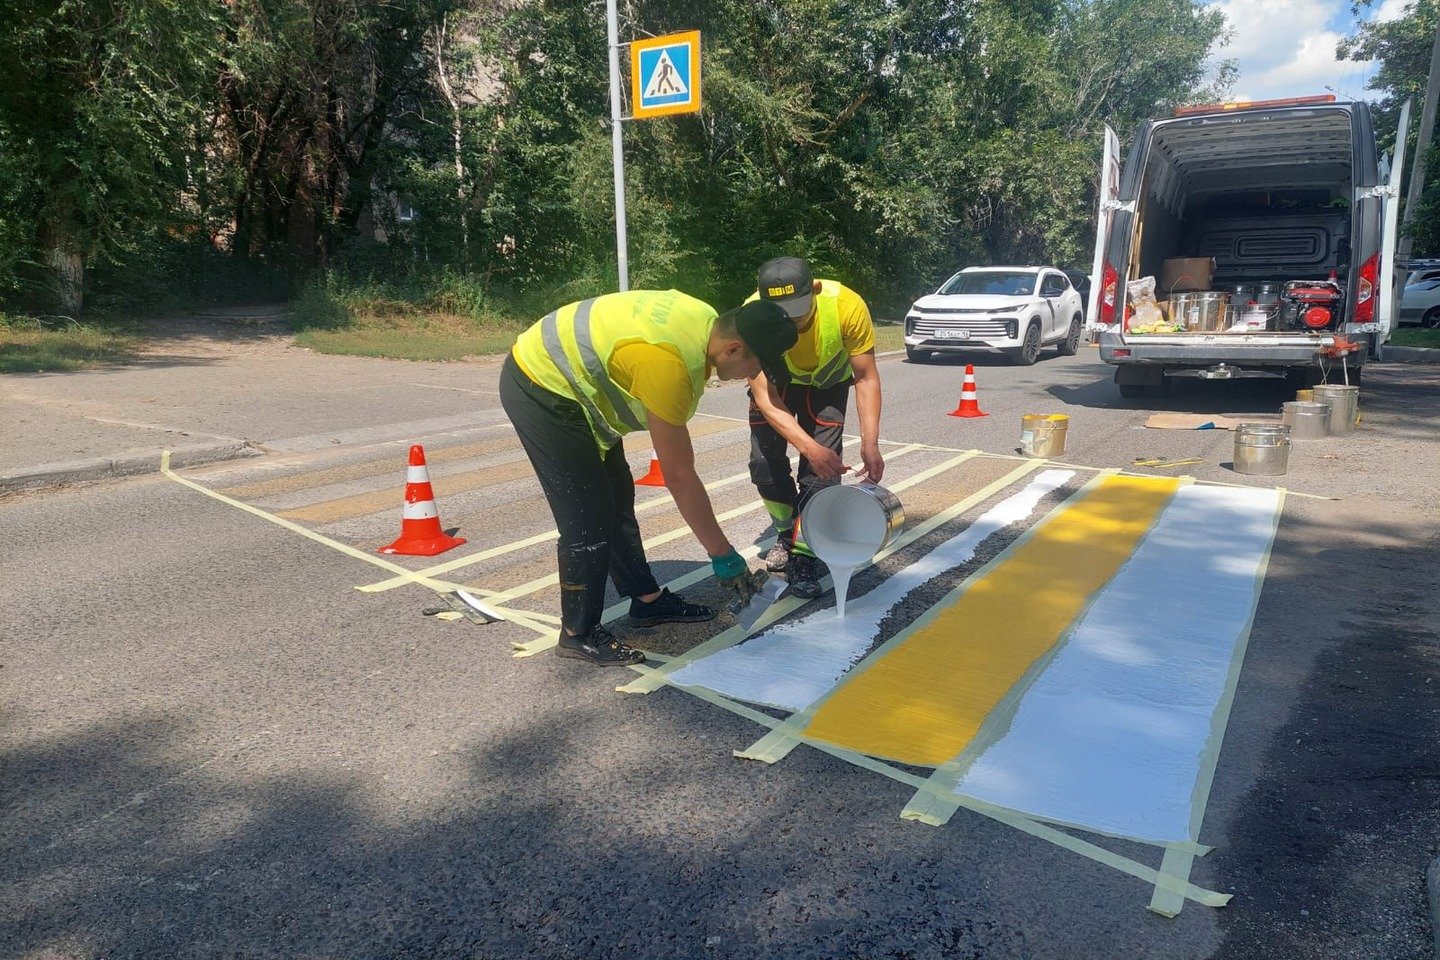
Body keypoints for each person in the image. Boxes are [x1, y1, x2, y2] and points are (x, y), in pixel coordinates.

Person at [500, 290, 798, 667]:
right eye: (755, 365)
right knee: (587, 518)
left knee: (617, 499)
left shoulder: (706, 322)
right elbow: (679, 476)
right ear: (734, 348)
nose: (753, 375)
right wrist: (723, 555)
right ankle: (578, 633)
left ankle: (647, 602)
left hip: (574, 388)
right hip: (541, 386)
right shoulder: (669, 367)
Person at [746, 257, 885, 599]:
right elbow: (765, 396)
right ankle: (785, 533)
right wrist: (807, 446)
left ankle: (805, 551)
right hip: (778, 389)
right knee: (763, 466)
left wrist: (870, 442)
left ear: (815, 290)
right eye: (781, 311)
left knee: (820, 475)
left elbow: (866, 377)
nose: (792, 318)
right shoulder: (750, 316)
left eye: (798, 308)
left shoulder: (846, 307)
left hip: (827, 387)